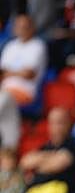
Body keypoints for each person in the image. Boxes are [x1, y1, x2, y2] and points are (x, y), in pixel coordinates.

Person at [0, 15, 48, 149]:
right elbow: (1, 73)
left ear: (32, 28)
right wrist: (17, 72)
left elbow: (29, 74)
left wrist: (9, 72)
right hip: (4, 92)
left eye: (26, 26)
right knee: (3, 100)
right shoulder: (10, 46)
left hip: (25, 93)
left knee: (4, 99)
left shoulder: (38, 45)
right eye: (19, 26)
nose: (22, 29)